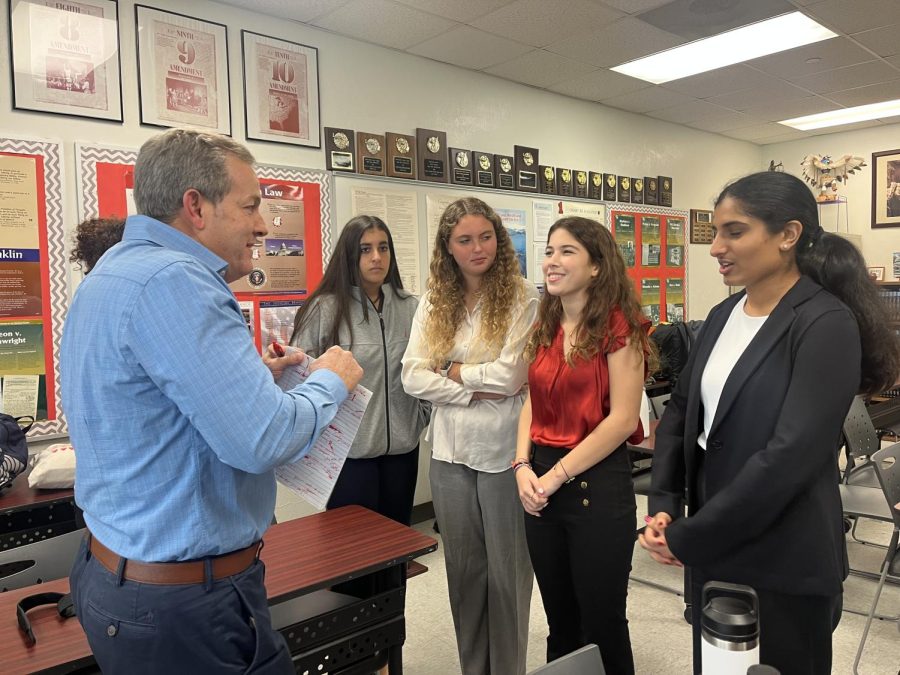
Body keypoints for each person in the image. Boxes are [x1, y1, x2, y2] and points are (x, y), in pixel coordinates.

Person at [60, 128, 363, 674]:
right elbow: (263, 440)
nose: (263, 224)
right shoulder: (179, 281)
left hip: (116, 576)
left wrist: (251, 380)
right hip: (184, 604)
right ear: (195, 207)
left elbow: (147, 401)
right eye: (249, 206)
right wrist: (332, 380)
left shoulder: (111, 272)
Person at [640, 171, 900, 674]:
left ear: (788, 235)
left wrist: (692, 536)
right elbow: (680, 413)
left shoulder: (824, 323)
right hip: (716, 546)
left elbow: (790, 457)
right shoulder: (721, 315)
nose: (716, 247)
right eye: (715, 232)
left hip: (784, 556)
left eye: (734, 232)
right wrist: (665, 507)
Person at [401, 197, 539, 675]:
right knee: (463, 571)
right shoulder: (435, 301)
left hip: (504, 452)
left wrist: (453, 369)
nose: (478, 248)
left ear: (498, 240)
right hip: (449, 451)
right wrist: (467, 390)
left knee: (508, 573)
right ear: (449, 247)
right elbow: (411, 377)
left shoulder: (524, 297)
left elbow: (511, 376)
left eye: (486, 237)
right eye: (465, 239)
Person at [515, 217, 650, 675]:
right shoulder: (546, 322)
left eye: (567, 251)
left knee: (602, 621)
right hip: (541, 485)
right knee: (560, 621)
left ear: (596, 266)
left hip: (595, 484)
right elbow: (531, 401)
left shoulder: (620, 327)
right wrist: (520, 466)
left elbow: (623, 420)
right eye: (550, 250)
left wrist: (553, 476)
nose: (552, 261)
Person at [290, 215, 426, 527]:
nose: (377, 257)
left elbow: (431, 364)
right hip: (348, 457)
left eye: (383, 247)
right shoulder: (325, 309)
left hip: (402, 453)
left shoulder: (412, 307)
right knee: (353, 556)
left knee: (396, 551)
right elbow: (298, 376)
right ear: (350, 255)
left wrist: (420, 417)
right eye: (365, 249)